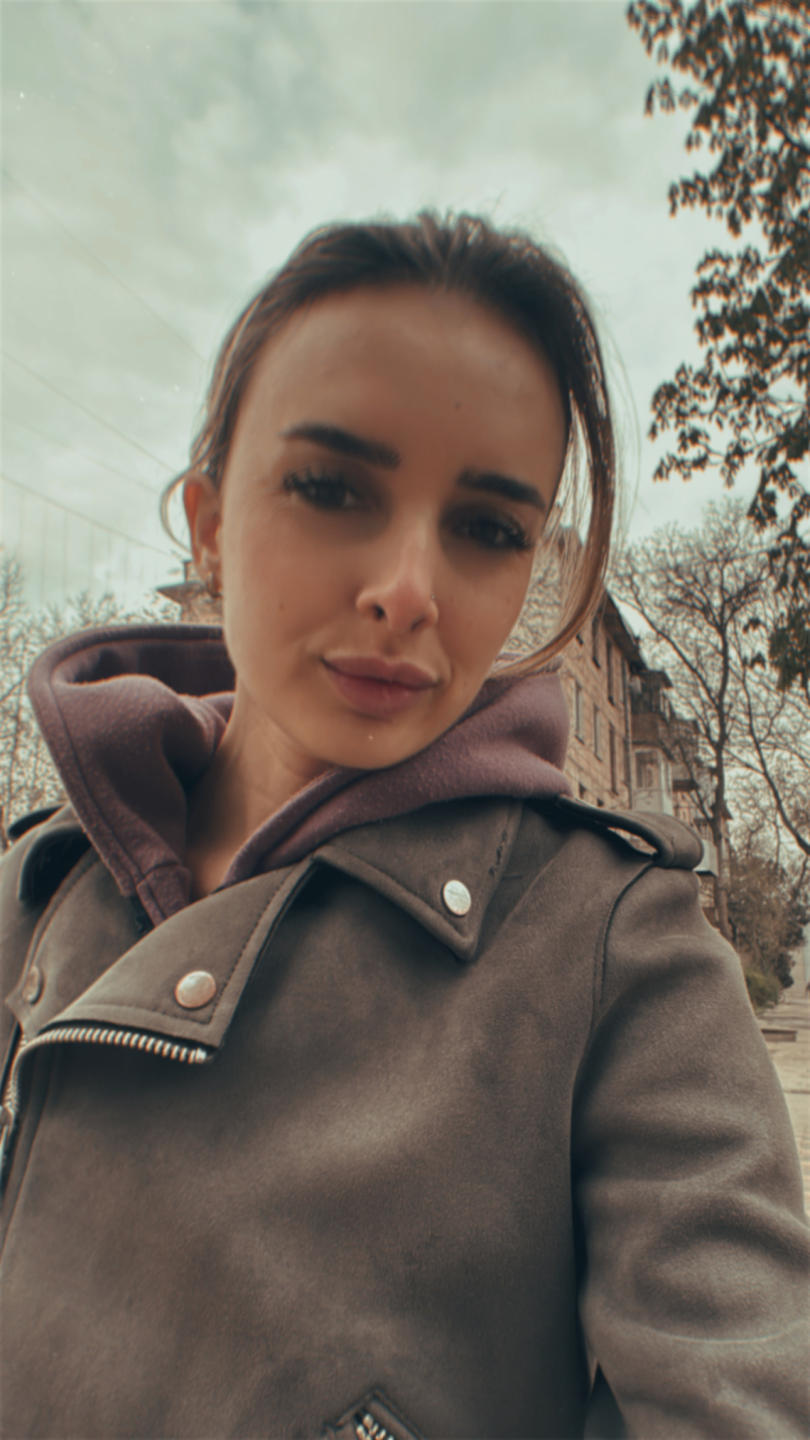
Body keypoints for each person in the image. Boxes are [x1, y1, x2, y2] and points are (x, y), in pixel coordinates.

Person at [0, 213, 807, 1440]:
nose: (408, 592)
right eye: (331, 490)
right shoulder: (36, 886)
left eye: (489, 528)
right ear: (208, 524)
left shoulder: (614, 948)